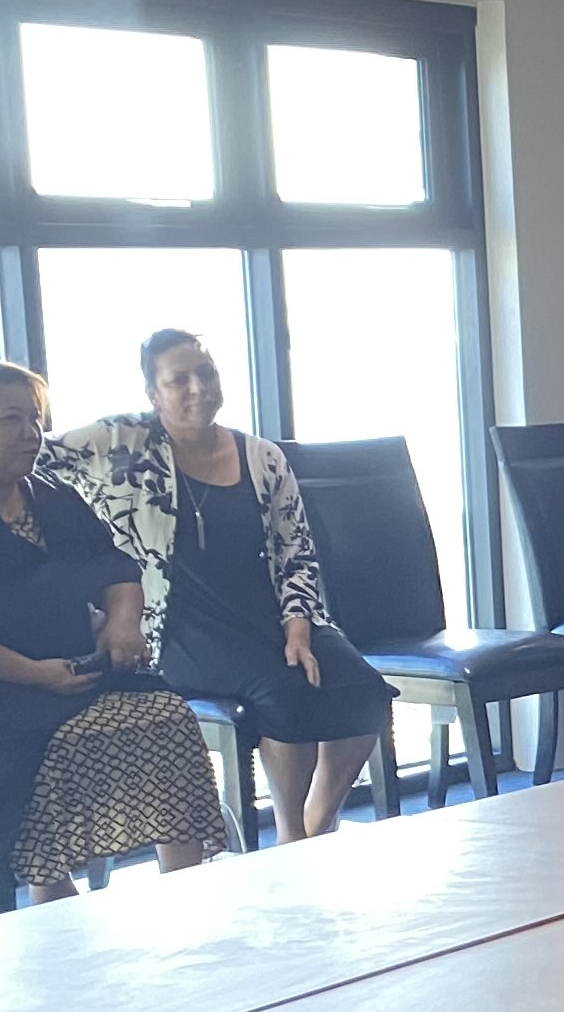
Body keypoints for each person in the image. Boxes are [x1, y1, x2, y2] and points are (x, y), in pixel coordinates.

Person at [0, 362, 226, 898]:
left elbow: (117, 571)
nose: (32, 434)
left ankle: (188, 896)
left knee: (165, 716)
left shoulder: (48, 494)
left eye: (35, 420)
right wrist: (33, 675)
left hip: (61, 674)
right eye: (11, 420)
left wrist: (123, 625)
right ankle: (55, 914)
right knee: (60, 750)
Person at [41, 329, 395, 839]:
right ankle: (290, 831)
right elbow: (22, 454)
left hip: (271, 612)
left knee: (364, 691)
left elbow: (298, 554)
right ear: (153, 393)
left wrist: (299, 630)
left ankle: (319, 821)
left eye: (205, 375)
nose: (196, 389)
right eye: (178, 379)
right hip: (179, 622)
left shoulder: (263, 457)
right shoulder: (120, 441)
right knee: (283, 693)